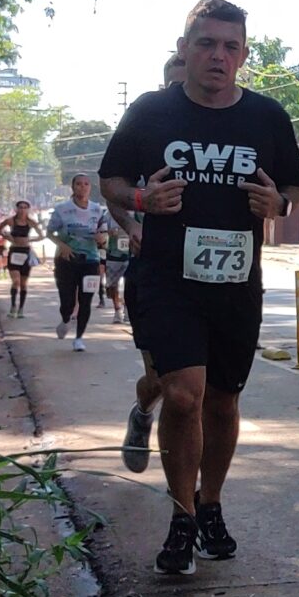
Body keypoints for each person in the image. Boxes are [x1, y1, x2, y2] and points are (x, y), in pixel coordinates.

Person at [100, 2, 299, 577]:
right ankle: (181, 515)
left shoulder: (267, 117)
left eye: (230, 47)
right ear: (186, 46)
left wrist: (280, 205)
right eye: (207, 43)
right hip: (168, 279)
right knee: (184, 395)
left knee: (221, 401)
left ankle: (210, 502)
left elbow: (293, 185)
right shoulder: (150, 112)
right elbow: (110, 179)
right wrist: (142, 202)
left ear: (243, 55)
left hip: (236, 283)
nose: (219, 56)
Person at [120, 51, 188, 473]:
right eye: (178, 85)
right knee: (166, 381)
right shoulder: (147, 121)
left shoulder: (227, 121)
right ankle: (143, 412)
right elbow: (116, 186)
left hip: (211, 276)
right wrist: (133, 224)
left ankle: (188, 492)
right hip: (154, 272)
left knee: (198, 390)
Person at [43, 172, 114, 350]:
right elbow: (49, 232)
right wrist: (62, 245)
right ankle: (66, 318)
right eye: (79, 184)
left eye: (86, 184)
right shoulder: (62, 210)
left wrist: (102, 238)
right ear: (73, 187)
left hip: (90, 261)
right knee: (67, 301)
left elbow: (104, 233)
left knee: (86, 299)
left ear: (90, 187)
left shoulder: (98, 210)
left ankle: (79, 338)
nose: (82, 187)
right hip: (66, 261)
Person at [0, 200, 38, 312]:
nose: (22, 209)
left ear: (28, 209)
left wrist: (30, 239)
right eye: (20, 207)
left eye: (25, 207)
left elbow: (42, 235)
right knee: (16, 281)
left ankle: (21, 308)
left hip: (26, 252)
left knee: (24, 284)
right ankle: (13, 305)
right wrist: (6, 236)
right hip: (14, 251)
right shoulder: (11, 221)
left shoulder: (31, 222)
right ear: (16, 208)